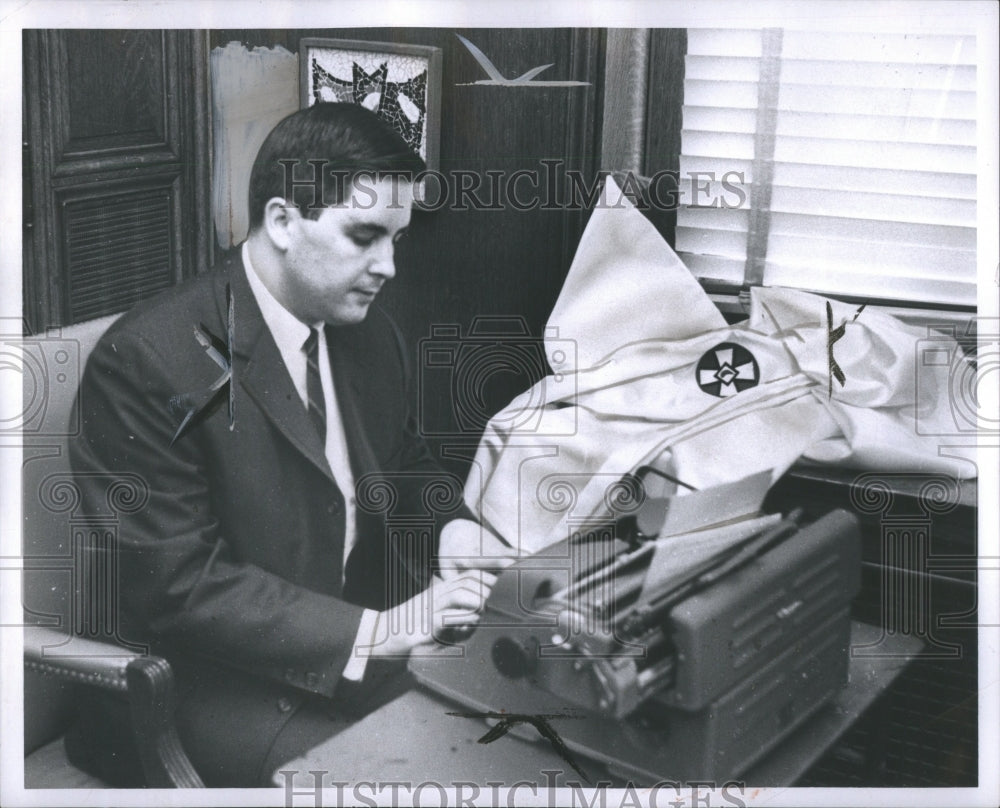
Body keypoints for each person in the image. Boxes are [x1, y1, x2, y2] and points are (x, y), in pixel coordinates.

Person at [67, 103, 511, 786]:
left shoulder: (367, 333)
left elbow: (404, 467)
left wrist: (451, 530)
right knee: (411, 784)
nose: (388, 265)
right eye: (364, 235)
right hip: (201, 689)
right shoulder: (147, 362)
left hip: (341, 655)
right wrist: (375, 632)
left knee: (514, 740)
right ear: (281, 221)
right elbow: (178, 587)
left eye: (396, 238)